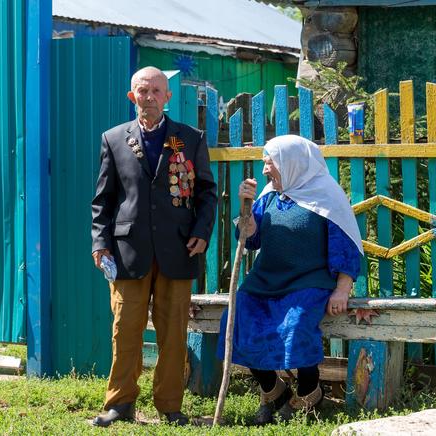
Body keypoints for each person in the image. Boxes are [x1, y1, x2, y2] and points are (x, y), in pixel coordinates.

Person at [91, 66, 217, 427]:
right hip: (128, 252)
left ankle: (169, 406)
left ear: (167, 97)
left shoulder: (190, 138)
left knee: (174, 333)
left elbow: (207, 192)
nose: (148, 98)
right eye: (142, 91)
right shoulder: (114, 139)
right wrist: (100, 243)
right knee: (125, 329)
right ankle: (120, 404)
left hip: (178, 250)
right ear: (132, 96)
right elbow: (103, 199)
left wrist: (202, 231)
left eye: (155, 91)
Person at [217, 134, 364, 425]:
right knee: (236, 319)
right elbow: (249, 238)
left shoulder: (328, 196)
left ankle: (311, 394)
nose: (264, 171)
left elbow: (347, 246)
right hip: (265, 280)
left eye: (269, 163)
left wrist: (342, 289)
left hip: (308, 282)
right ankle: (274, 391)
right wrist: (245, 206)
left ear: (291, 162)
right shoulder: (269, 195)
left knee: (295, 328)